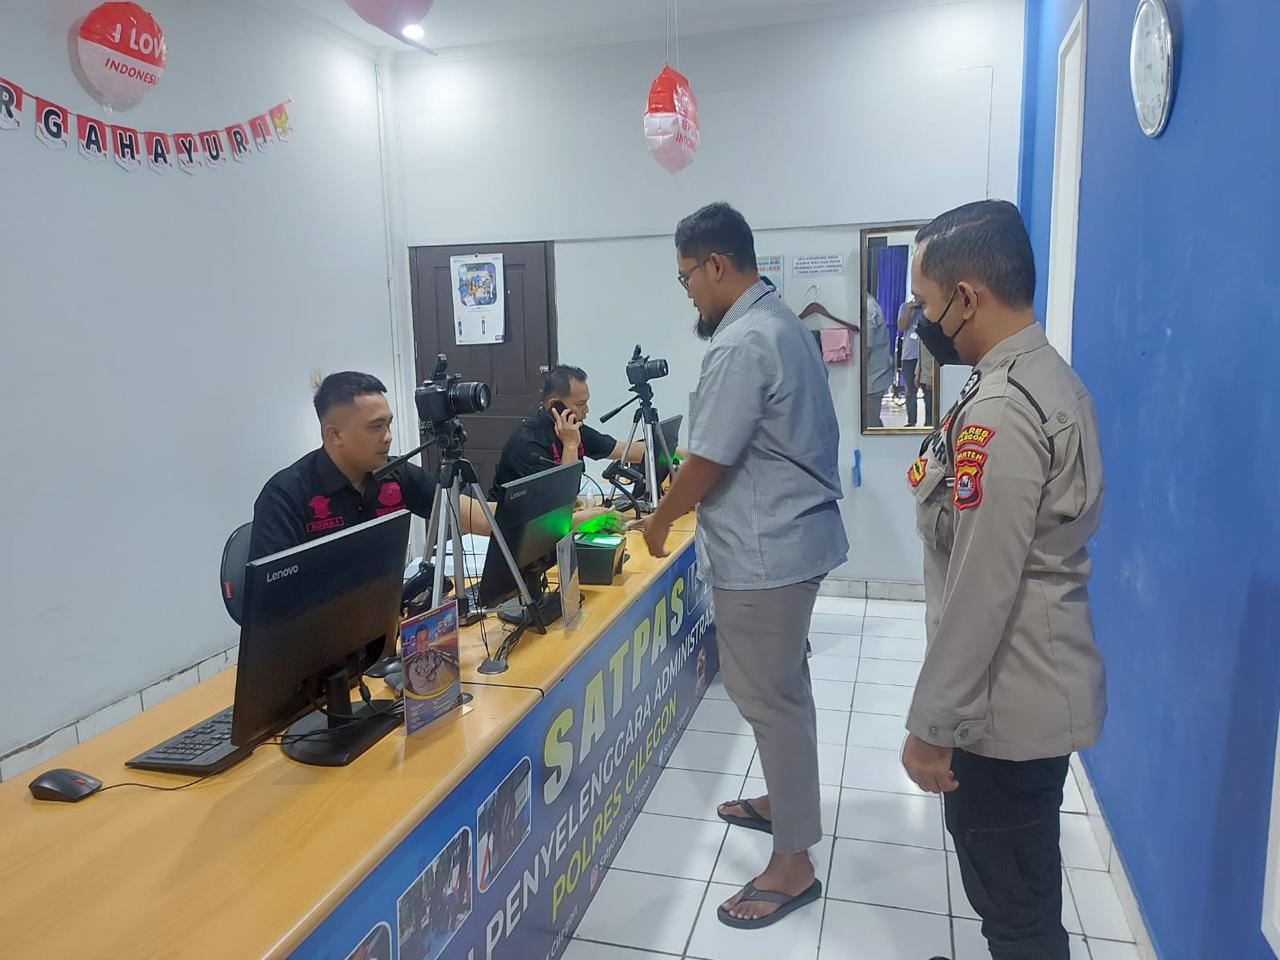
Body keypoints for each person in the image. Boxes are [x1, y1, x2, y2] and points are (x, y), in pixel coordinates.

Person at [900, 200, 1105, 960]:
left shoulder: (1003, 411)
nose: (920, 319)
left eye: (925, 302)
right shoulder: (1036, 378)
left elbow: (981, 589)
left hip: (1004, 707)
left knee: (1015, 912)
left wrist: (931, 728)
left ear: (967, 297)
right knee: (1017, 894)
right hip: (1023, 687)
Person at [641, 202, 848, 930]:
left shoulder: (741, 341)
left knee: (769, 698)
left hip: (766, 554)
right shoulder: (781, 322)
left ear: (716, 265)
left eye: (687, 278)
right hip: (794, 542)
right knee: (782, 690)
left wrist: (660, 521)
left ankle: (793, 864)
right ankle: (783, 805)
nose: (689, 293)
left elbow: (707, 460)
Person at [250, 371, 619, 561]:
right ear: (334, 435)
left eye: (389, 424)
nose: (388, 437)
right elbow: (271, 605)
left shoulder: (397, 476)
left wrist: (568, 519)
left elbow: (484, 519)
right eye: (375, 427)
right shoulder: (287, 496)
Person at [488, 364, 648, 501]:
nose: (586, 410)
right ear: (555, 405)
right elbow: (560, 502)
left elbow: (621, 450)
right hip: (508, 524)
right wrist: (570, 445)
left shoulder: (571, 428)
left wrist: (661, 449)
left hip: (547, 518)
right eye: (580, 404)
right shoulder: (528, 443)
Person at [863, 293, 893, 427]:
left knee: (870, 425)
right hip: (874, 376)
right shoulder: (868, 304)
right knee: (871, 423)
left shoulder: (868, 307)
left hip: (873, 378)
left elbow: (866, 348)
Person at [897, 298, 925, 426]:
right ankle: (911, 421)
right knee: (910, 390)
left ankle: (930, 422)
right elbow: (901, 327)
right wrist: (909, 309)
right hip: (909, 356)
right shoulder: (905, 307)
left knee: (928, 390)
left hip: (926, 354)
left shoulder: (930, 306)